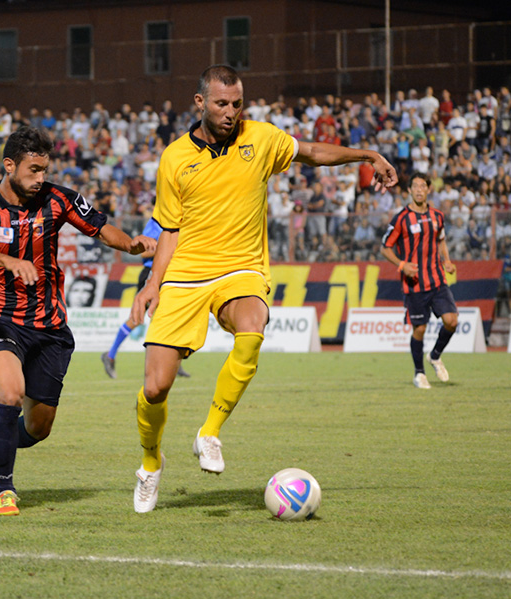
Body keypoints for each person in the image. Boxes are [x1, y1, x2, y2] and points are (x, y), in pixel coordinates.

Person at [129, 65, 397, 513]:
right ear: (200, 102)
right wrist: (152, 284)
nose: (231, 111)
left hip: (242, 268)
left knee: (253, 326)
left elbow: (312, 152)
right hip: (187, 273)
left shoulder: (262, 137)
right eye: (221, 103)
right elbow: (169, 230)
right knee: (156, 388)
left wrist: (367, 155)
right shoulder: (174, 158)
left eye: (237, 103)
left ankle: (209, 433)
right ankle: (151, 463)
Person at [0, 126, 155, 516]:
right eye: (33, 170)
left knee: (39, 427)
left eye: (44, 170)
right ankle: (6, 490)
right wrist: (8, 261)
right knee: (10, 394)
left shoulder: (58, 199)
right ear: (9, 165)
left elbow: (101, 228)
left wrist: (131, 244)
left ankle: (0, 448)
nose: (40, 178)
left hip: (49, 325)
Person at [381, 173, 458, 390]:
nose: (419, 190)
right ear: (409, 191)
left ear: (428, 189)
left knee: (452, 321)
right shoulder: (401, 218)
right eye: (415, 186)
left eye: (422, 186)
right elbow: (385, 247)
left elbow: (441, 240)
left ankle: (435, 355)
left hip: (437, 279)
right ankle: (419, 373)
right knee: (420, 330)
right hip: (414, 283)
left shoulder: (437, 216)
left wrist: (447, 260)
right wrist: (402, 265)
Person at [101, 217, 189, 380]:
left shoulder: (180, 221)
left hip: (169, 274)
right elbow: (144, 252)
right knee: (137, 318)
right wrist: (168, 248)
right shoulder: (156, 222)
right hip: (151, 274)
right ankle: (110, 355)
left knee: (171, 318)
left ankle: (174, 364)